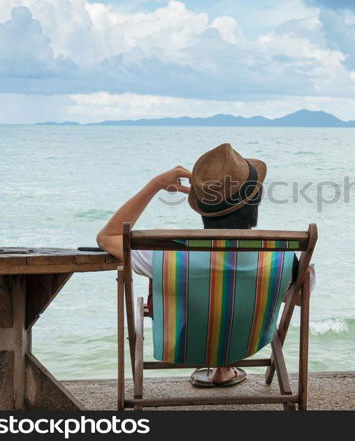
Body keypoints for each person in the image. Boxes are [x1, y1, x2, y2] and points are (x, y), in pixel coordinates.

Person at [97, 143, 266, 387]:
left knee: (199, 296)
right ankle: (224, 366)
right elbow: (299, 297)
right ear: (256, 200)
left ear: (200, 207)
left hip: (184, 343)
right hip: (247, 340)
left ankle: (220, 366)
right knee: (232, 298)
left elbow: (106, 237)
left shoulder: (167, 253)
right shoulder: (281, 258)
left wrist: (155, 185)